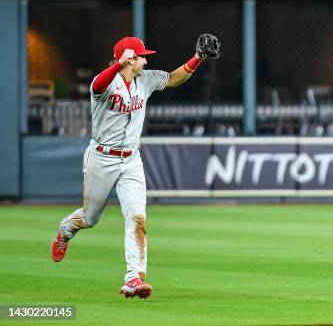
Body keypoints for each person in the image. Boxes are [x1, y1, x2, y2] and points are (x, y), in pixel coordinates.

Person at [50, 34, 221, 299]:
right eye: (141, 56)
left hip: (131, 159)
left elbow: (175, 78)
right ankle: (65, 231)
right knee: (90, 217)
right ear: (129, 58)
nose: (145, 60)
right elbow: (98, 86)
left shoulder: (146, 79)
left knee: (137, 216)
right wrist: (119, 65)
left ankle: (133, 278)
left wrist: (197, 58)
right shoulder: (105, 82)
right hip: (102, 157)